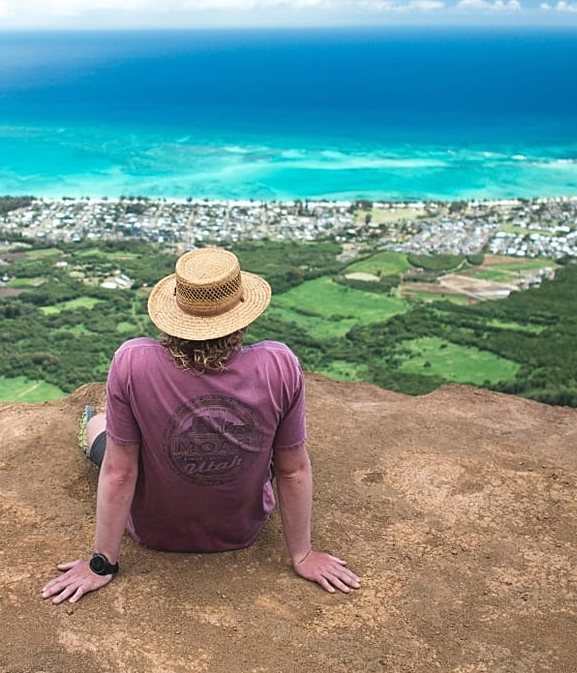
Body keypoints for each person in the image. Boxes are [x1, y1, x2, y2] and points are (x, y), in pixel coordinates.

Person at [42, 247, 360, 605]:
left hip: (154, 530)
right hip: (241, 530)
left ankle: (93, 420)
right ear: (242, 316)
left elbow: (119, 472)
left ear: (174, 314)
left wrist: (102, 564)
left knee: (100, 424)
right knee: (277, 444)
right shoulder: (279, 365)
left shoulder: (132, 362)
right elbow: (292, 471)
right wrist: (302, 555)